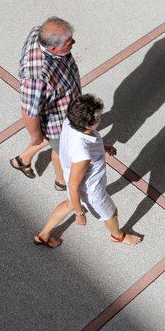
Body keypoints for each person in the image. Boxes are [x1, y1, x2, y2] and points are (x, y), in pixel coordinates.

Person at [33, 94, 143, 248]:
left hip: (71, 172)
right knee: (111, 214)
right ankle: (117, 236)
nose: (101, 117)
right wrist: (80, 214)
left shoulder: (70, 122)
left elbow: (86, 144)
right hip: (92, 190)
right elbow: (73, 186)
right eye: (99, 117)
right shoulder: (83, 153)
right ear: (89, 125)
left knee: (69, 203)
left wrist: (102, 147)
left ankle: (43, 235)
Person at [10, 17, 81, 191]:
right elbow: (29, 112)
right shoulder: (36, 77)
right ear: (53, 48)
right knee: (61, 149)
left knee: (51, 140)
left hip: (65, 105)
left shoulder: (39, 32)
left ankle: (22, 160)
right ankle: (61, 181)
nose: (74, 42)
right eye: (69, 42)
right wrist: (35, 137)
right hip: (57, 119)